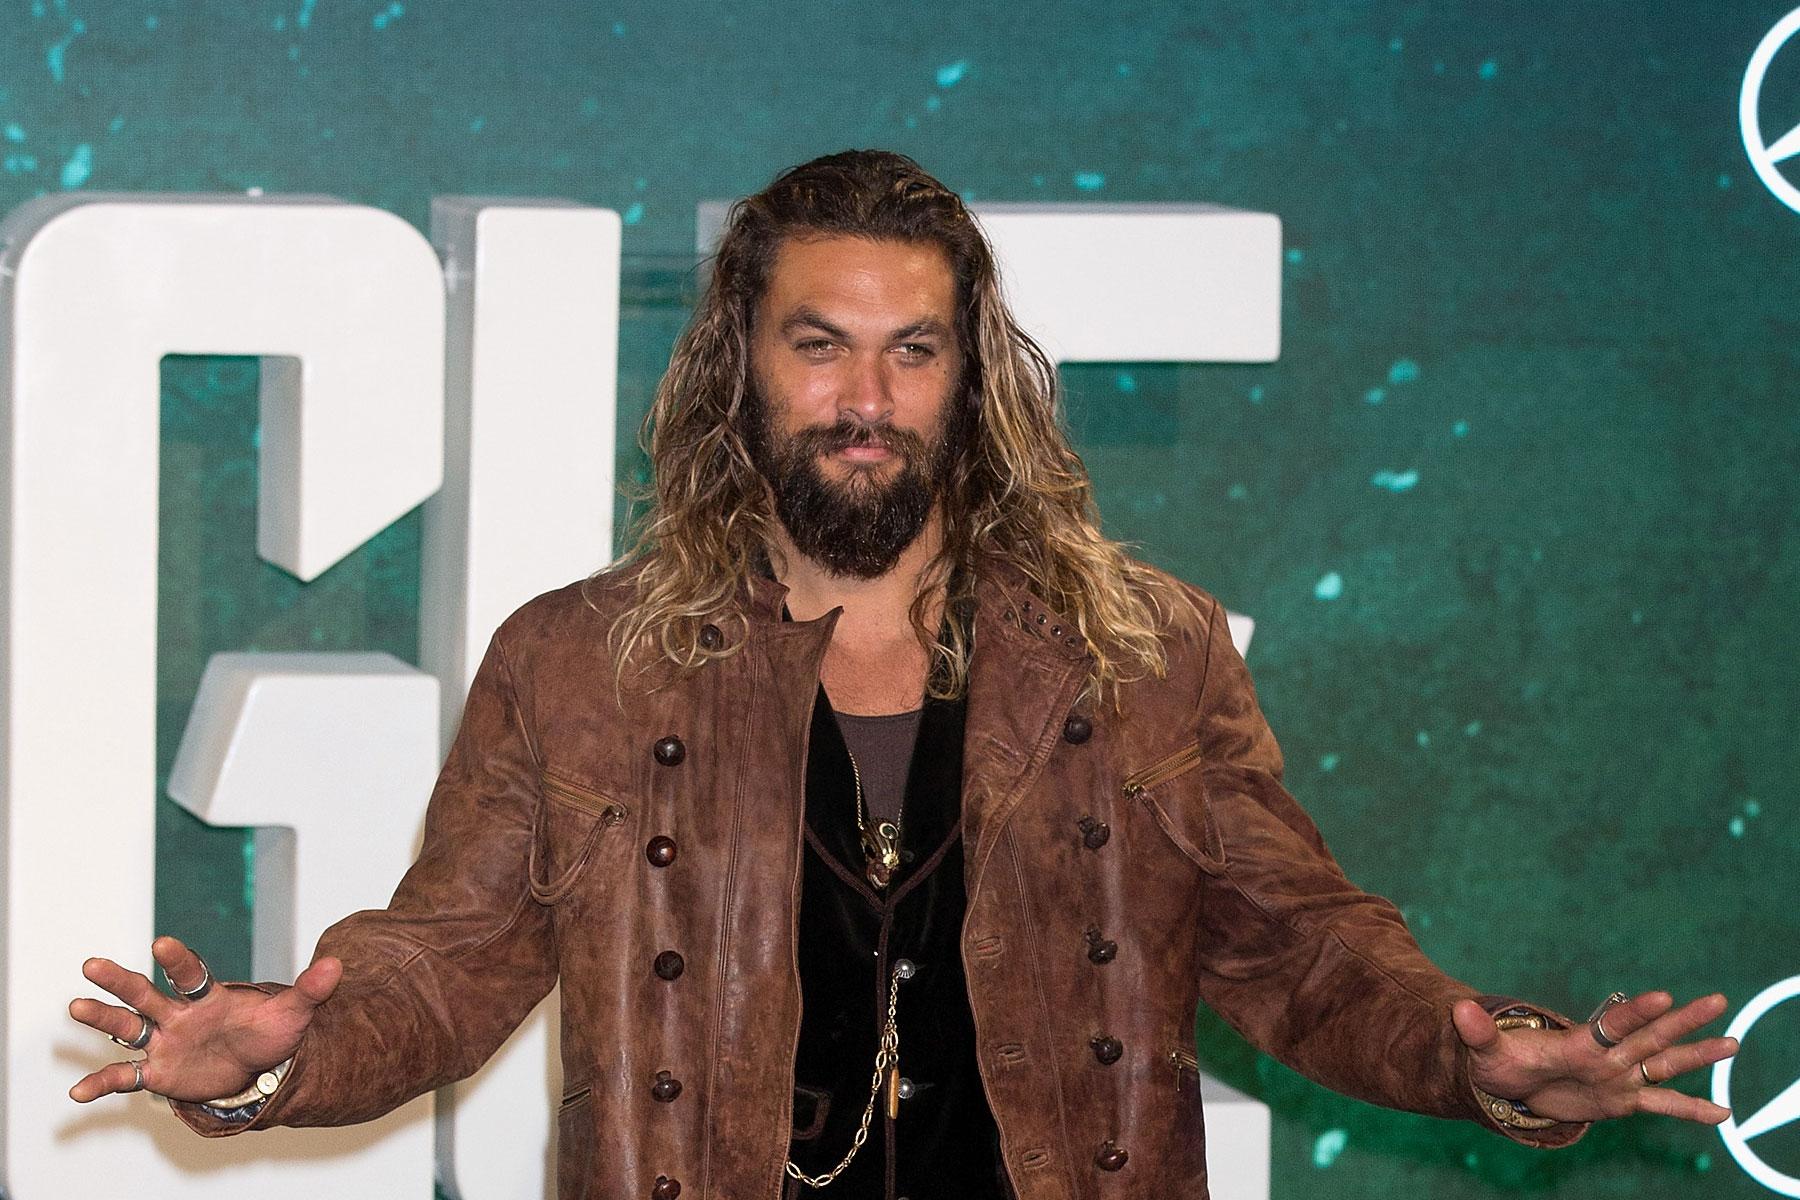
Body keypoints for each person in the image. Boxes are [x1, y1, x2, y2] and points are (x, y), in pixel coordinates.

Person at [68, 149, 1737, 1200]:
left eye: (911, 351)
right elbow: (444, 963)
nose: (865, 398)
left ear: (968, 380)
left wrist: (1470, 1053)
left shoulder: (1142, 653)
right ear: (740, 368)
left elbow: (1300, 948)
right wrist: (283, 1054)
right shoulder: (579, 662)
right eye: (819, 345)